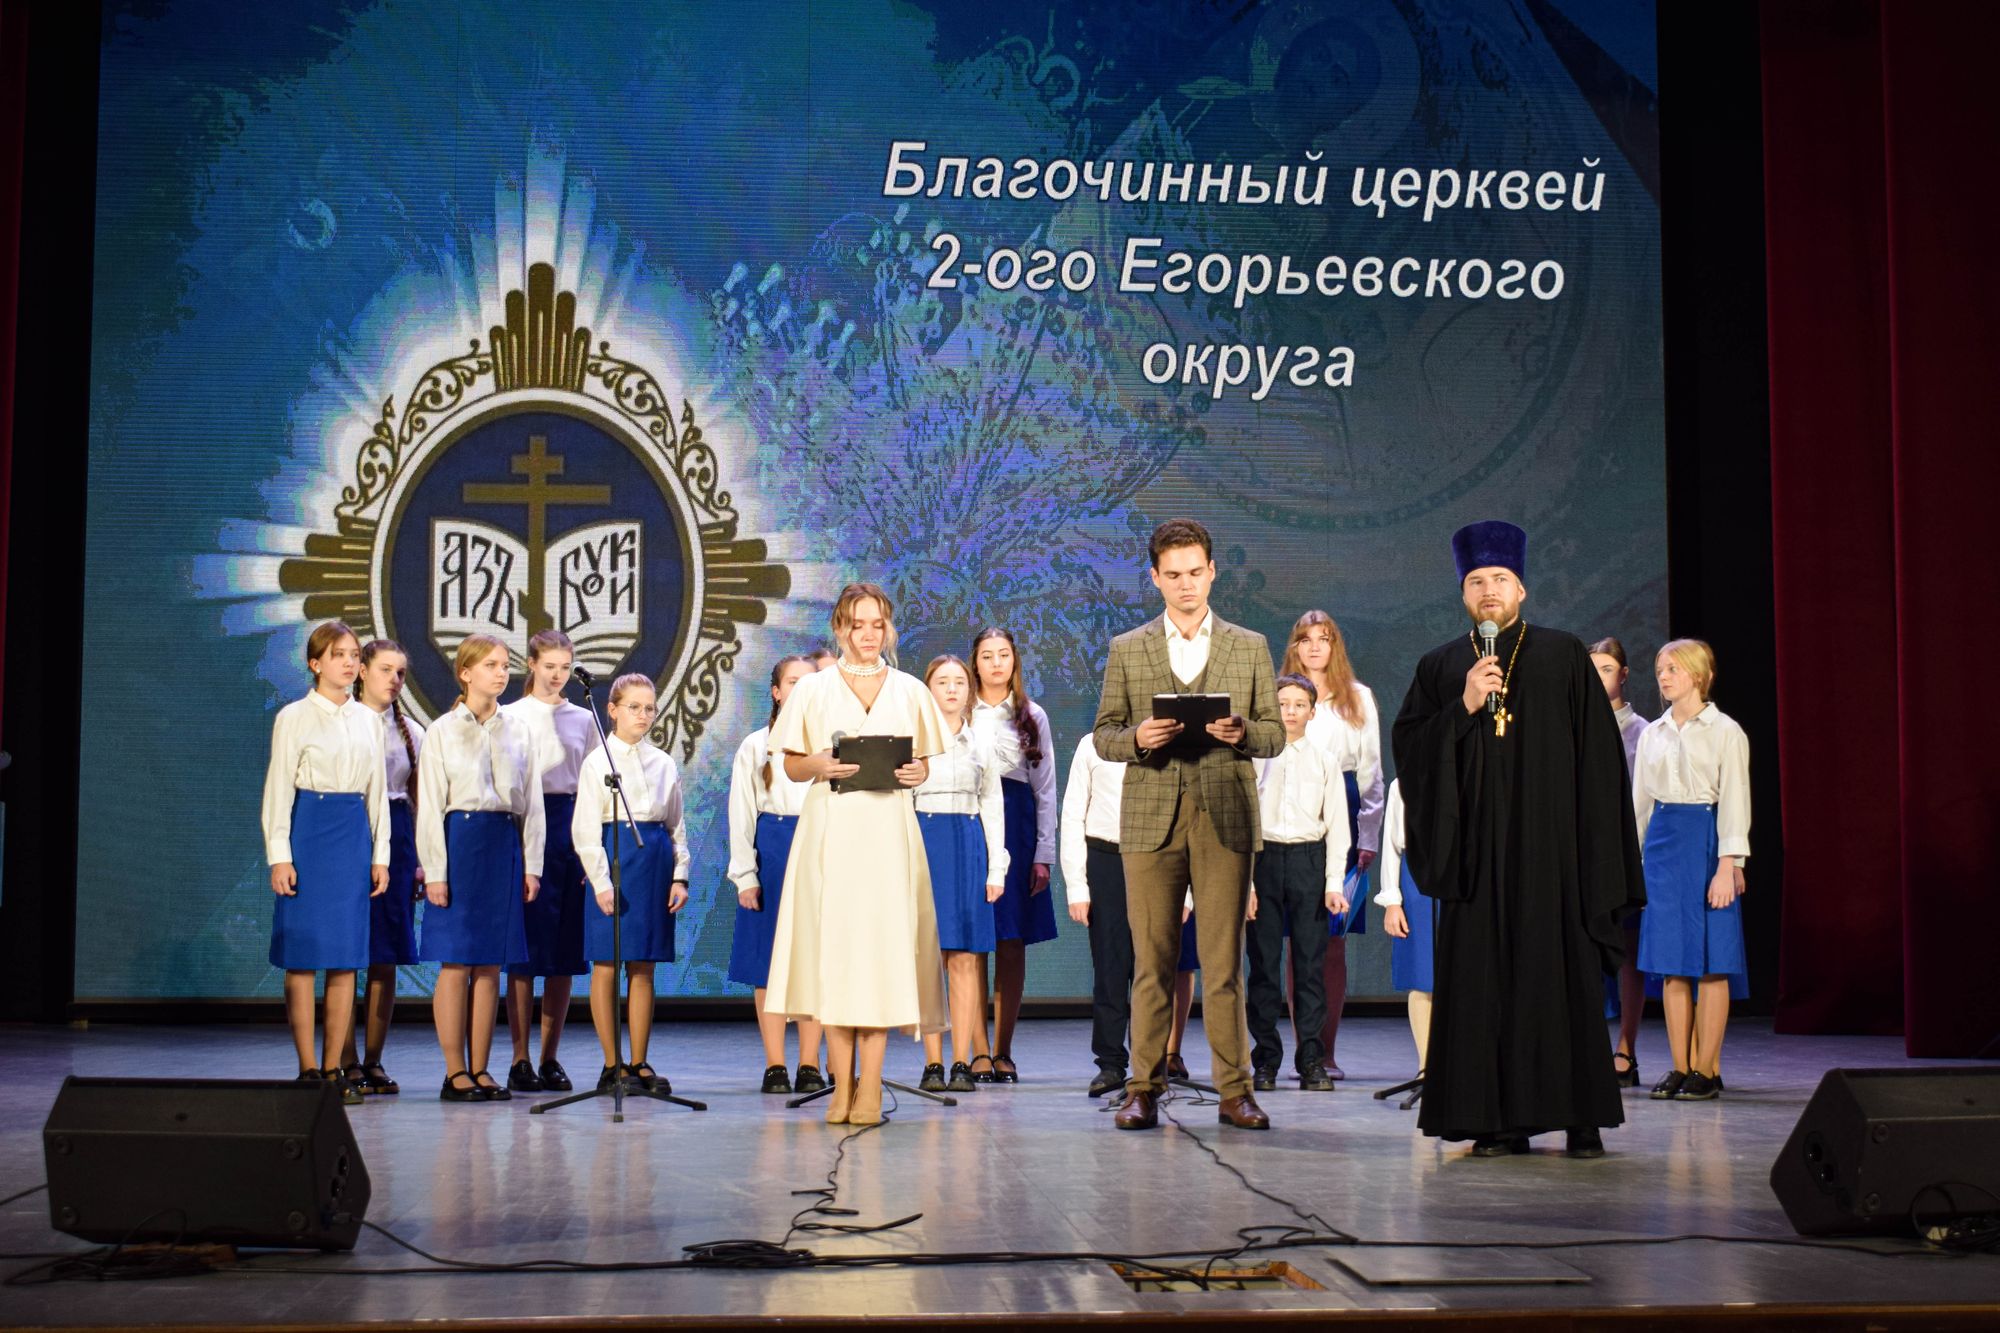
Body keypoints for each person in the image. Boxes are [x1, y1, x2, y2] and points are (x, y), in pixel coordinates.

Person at [1391, 520, 1644, 1158]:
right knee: (1485, 988)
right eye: (1477, 581)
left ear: (1521, 589)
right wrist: (1463, 707)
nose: (1489, 591)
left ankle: (1580, 1118)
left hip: (1554, 857)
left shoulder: (1563, 656)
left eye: (1500, 579)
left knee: (1561, 980)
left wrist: (1595, 855)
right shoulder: (1441, 666)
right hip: (1477, 860)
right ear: (1463, 593)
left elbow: (1600, 763)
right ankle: (1499, 1123)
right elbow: (1412, 756)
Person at [1093, 518, 1284, 1131]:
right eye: (1173, 574)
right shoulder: (1128, 648)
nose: (1186, 584)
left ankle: (1235, 1091)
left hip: (1224, 815)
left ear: (1212, 572)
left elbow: (1275, 734)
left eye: (1195, 572)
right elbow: (1103, 735)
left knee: (1223, 963)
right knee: (1151, 961)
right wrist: (1139, 737)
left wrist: (1242, 732)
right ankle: (1142, 1087)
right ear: (1155, 578)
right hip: (1151, 818)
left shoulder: (1248, 645)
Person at [766, 582, 947, 1126]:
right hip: (832, 832)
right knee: (836, 956)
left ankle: (870, 1085)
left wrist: (918, 772)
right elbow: (790, 764)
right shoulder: (813, 689)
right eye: (856, 624)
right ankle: (840, 1085)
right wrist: (818, 763)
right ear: (840, 628)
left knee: (881, 956)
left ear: (888, 628)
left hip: (888, 833)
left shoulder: (910, 690)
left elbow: (923, 763)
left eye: (877, 624)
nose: (868, 635)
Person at [261, 621, 390, 1105]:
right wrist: (280, 856)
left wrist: (380, 855)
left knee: (344, 957)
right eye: (339, 654)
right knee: (302, 956)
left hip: (351, 834)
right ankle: (307, 1067)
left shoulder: (368, 720)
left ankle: (335, 1066)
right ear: (315, 663)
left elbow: (377, 793)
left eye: (354, 654)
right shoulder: (294, 717)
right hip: (310, 832)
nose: (350, 662)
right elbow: (278, 790)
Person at [416, 634, 545, 1102]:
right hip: (460, 843)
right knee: (456, 961)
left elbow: (532, 803)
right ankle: (455, 1070)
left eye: (504, 665)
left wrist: (532, 864)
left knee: (491, 962)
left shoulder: (519, 730)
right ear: (465, 673)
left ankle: (482, 1068)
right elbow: (430, 806)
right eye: (490, 665)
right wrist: (435, 871)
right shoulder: (442, 731)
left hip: (501, 842)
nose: (500, 672)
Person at [1635, 639, 1750, 1103]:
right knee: (1672, 964)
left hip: (1706, 843)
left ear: (1698, 675)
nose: (1664, 677)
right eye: (1660, 669)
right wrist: (1637, 864)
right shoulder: (1653, 734)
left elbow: (1735, 800)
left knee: (1711, 961)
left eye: (1674, 669)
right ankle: (1680, 1066)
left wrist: (1729, 864)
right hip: (1663, 847)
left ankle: (1707, 1068)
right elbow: (1641, 806)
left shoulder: (1725, 731)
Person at [1060, 735, 1199, 1097]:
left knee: (1152, 966)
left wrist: (1186, 893)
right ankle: (1110, 1063)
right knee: (1110, 966)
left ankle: (1148, 1066)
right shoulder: (1091, 745)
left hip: (1157, 856)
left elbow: (1186, 816)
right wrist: (1077, 886)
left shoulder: (1168, 743)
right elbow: (1073, 814)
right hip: (1105, 857)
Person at [573, 673, 691, 1092]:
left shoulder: (663, 762)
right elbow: (585, 830)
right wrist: (601, 881)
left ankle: (639, 1061)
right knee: (607, 962)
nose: (643, 715)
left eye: (649, 708)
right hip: (615, 858)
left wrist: (680, 876)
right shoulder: (596, 763)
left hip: (653, 860)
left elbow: (676, 824)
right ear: (612, 710)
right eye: (634, 707)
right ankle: (612, 1064)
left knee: (643, 964)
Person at [1283, 611, 1383, 1080]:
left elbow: (1371, 773)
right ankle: (1303, 1048)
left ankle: (1326, 1051)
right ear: (1295, 647)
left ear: (1335, 646)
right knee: (1296, 939)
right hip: (1291, 815)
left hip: (1343, 810)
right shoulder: (1281, 697)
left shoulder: (1357, 697)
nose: (1315, 647)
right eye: (1306, 639)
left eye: (1324, 639)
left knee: (1332, 940)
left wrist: (1368, 836)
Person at [1245, 674, 1350, 1092]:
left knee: (1309, 967)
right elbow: (1244, 823)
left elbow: (1337, 825)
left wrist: (1333, 882)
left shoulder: (1324, 760)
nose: (1290, 712)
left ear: (1312, 711)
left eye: (1299, 704)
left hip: (1309, 859)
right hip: (1264, 859)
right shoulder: (1254, 757)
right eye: (1282, 704)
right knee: (1264, 967)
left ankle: (1311, 1060)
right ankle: (1265, 1060)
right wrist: (1248, 884)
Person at [726, 655, 826, 1095]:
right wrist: (746, 874)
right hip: (773, 847)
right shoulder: (756, 744)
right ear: (776, 691)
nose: (801, 690)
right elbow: (741, 812)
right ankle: (775, 1064)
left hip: (818, 845)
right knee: (767, 960)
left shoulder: (830, 744)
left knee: (814, 959)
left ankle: (810, 1062)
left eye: (810, 682)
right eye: (792, 682)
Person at [500, 630, 595, 1094]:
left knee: (562, 954)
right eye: (549, 666)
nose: (557, 675)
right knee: (525, 953)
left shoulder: (584, 719)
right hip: (525, 825)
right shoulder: (510, 715)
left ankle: (550, 1057)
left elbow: (593, 782)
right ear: (532, 664)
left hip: (570, 827)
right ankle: (519, 1057)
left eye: (564, 667)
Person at [913, 655, 1008, 1093]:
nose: (951, 689)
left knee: (966, 959)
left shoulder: (981, 741)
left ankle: (961, 1062)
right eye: (942, 682)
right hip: (925, 843)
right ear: (928, 689)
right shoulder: (913, 741)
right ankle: (933, 1062)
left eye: (959, 682)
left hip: (968, 845)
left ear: (969, 692)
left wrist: (996, 867)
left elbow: (992, 804)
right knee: (930, 959)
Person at [968, 628, 1058, 1084]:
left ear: (1014, 661)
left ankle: (1003, 1049)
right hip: (969, 822)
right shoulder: (959, 710)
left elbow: (1045, 788)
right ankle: (977, 1052)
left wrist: (1044, 852)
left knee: (1010, 939)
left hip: (1016, 822)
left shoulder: (1031, 714)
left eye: (1003, 655)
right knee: (971, 940)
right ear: (975, 662)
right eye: (987, 656)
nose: (996, 663)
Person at [338, 638, 424, 1095]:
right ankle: (344, 1059)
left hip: (398, 834)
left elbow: (419, 800)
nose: (394, 679)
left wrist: (421, 861)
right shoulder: (343, 722)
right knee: (346, 951)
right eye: (385, 670)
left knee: (384, 953)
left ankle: (372, 1059)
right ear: (363, 672)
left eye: (401, 673)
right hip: (351, 830)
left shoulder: (412, 732)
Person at [1590, 636, 1651, 1087]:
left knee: (1628, 952)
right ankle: (1586, 1047)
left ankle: (1625, 1048)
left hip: (1625, 849)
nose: (1599, 678)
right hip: (1584, 851)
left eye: (1607, 669)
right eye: (1592, 670)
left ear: (1624, 674)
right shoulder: (1575, 725)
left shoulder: (1642, 732)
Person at [1373, 780, 1434, 1072]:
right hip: (1417, 881)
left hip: (1463, 875)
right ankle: (1426, 1067)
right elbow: (1392, 847)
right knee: (1422, 977)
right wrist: (1392, 901)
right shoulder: (1404, 784)